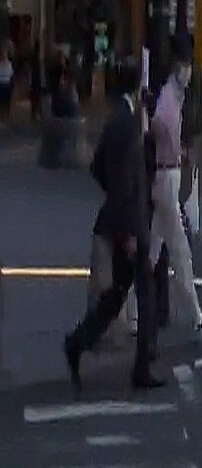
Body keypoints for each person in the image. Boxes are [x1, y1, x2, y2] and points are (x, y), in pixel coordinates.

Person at [64, 58, 165, 391]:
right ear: (137, 87)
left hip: (124, 218)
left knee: (118, 293)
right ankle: (141, 366)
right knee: (144, 290)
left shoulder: (120, 119)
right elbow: (123, 181)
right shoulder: (126, 125)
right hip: (129, 223)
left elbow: (98, 167)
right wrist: (129, 231)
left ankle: (78, 341)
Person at [145, 36, 202, 341]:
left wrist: (178, 152)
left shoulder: (175, 96)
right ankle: (197, 319)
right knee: (180, 252)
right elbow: (160, 125)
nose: (189, 72)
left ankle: (130, 310)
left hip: (167, 175)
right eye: (187, 66)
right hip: (166, 177)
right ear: (178, 67)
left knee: (153, 248)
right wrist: (174, 150)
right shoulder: (168, 98)